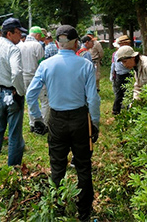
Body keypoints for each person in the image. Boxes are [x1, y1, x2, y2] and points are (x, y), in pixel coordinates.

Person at [26, 25, 101, 221]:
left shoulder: (46, 65)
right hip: (80, 118)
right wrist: (95, 122)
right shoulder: (85, 65)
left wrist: (37, 119)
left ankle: (57, 208)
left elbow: (30, 94)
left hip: (56, 119)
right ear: (76, 43)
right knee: (83, 166)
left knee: (57, 167)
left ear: (57, 43)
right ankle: (84, 211)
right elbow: (93, 99)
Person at [0, 18, 26, 176]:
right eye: (18, 32)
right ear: (10, 33)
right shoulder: (13, 49)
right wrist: (20, 91)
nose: (20, 36)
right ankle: (13, 168)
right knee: (15, 132)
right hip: (11, 93)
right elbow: (16, 73)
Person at [17, 26, 49, 132]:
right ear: (38, 35)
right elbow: (42, 63)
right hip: (37, 77)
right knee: (44, 101)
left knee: (31, 100)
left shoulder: (19, 46)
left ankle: (32, 123)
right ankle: (43, 123)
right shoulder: (37, 45)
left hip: (23, 77)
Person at [110, 35, 132, 115]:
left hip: (127, 74)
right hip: (122, 75)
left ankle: (127, 107)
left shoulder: (125, 51)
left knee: (128, 92)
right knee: (120, 94)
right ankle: (116, 110)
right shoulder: (119, 53)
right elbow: (120, 65)